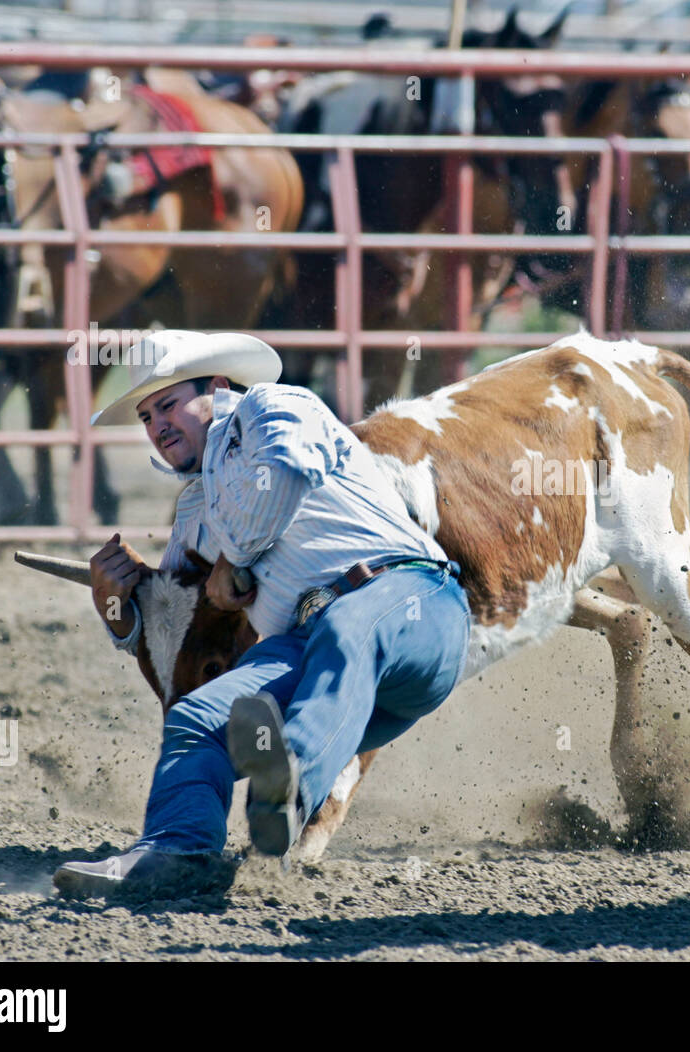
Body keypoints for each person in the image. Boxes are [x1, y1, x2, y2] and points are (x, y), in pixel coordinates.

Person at [53, 330, 470, 897]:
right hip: (312, 643)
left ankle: (287, 790)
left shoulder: (275, 408)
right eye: (147, 416)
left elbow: (284, 476)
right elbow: (175, 626)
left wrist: (232, 560)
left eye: (169, 404)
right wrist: (117, 607)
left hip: (413, 600)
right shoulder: (196, 506)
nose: (158, 426)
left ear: (219, 389)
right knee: (197, 718)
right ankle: (178, 852)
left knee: (349, 629)